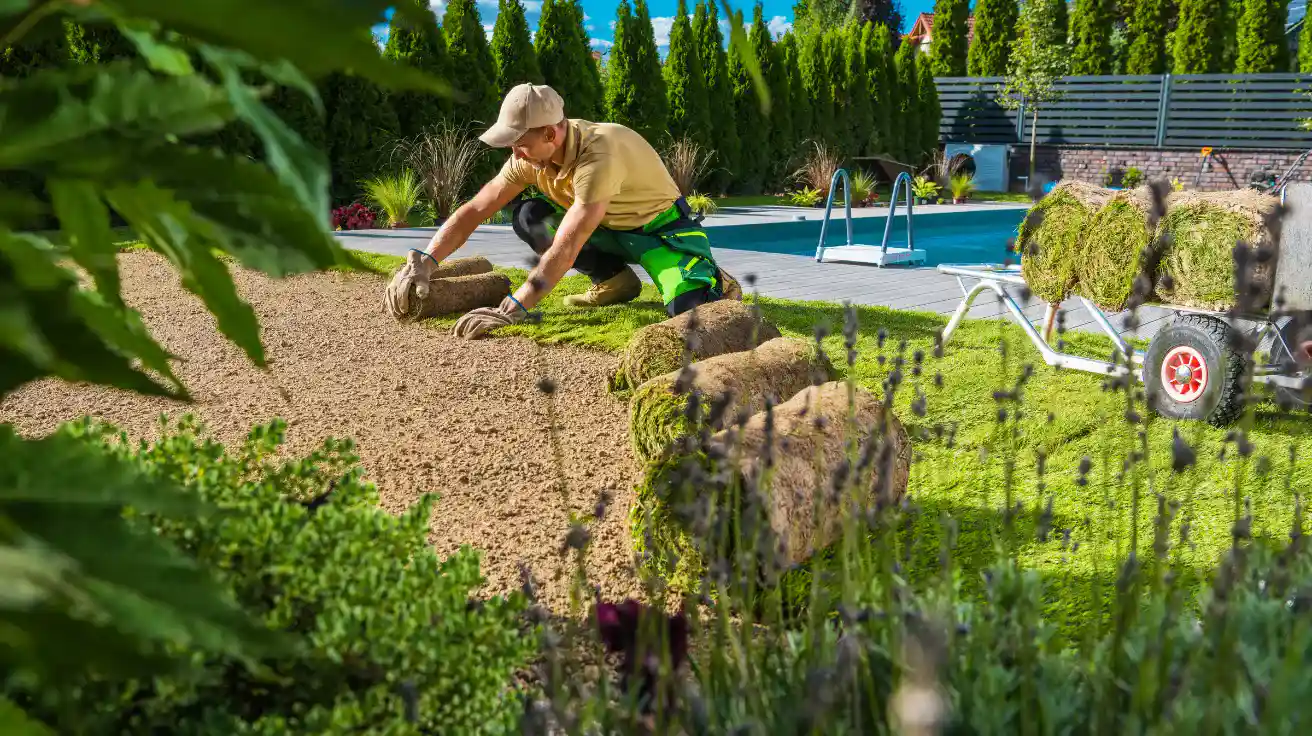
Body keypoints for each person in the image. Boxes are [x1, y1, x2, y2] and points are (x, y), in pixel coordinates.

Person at [385, 83, 740, 339]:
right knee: (529, 217)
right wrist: (426, 260)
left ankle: (714, 280)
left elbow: (567, 246)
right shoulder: (527, 156)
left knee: (689, 315)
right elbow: (478, 207)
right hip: (605, 229)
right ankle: (615, 281)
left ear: (552, 134)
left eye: (521, 145)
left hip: (658, 233)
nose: (515, 154)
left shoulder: (600, 154)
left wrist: (512, 307)